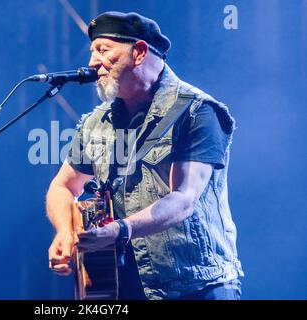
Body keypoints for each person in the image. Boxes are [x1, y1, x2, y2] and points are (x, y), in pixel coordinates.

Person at [46, 11, 244, 300]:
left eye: (103, 49)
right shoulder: (96, 123)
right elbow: (63, 186)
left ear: (138, 52)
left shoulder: (196, 111)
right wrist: (65, 231)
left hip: (196, 286)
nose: (92, 62)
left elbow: (184, 199)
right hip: (121, 287)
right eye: (92, 51)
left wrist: (119, 231)